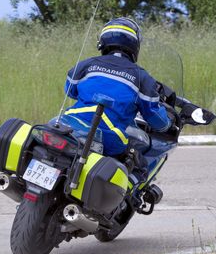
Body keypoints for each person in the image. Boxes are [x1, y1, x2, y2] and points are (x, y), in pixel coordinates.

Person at [62, 17, 172, 160]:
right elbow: (153, 115)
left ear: (102, 42)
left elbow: (70, 90)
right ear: (135, 45)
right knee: (138, 163)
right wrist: (167, 124)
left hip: (69, 123)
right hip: (109, 136)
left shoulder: (86, 64)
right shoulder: (142, 78)